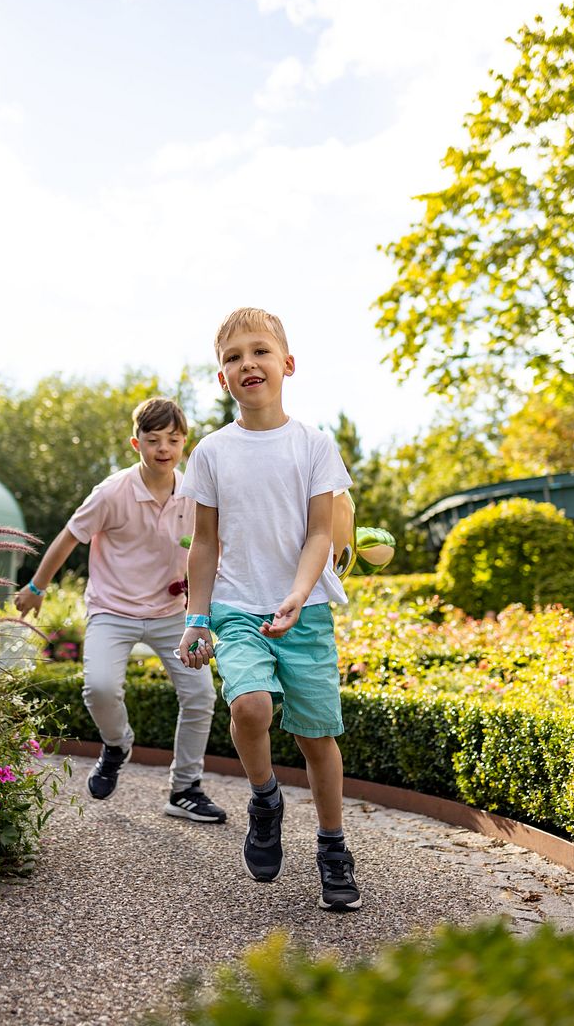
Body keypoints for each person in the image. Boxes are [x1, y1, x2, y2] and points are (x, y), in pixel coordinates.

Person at [177, 308, 361, 911]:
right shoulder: (210, 452)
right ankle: (264, 797)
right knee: (250, 706)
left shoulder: (313, 445)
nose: (246, 363)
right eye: (233, 357)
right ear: (222, 378)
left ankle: (332, 847)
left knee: (316, 739)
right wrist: (197, 618)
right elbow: (204, 543)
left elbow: (319, 535)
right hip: (235, 607)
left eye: (259, 351)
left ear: (287, 363)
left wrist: (299, 593)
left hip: (302, 612)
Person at [14, 397, 227, 824]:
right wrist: (37, 586)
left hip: (171, 614)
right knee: (99, 688)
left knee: (201, 695)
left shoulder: (193, 495)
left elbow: (211, 549)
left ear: (185, 442)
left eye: (172, 439)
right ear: (136, 443)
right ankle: (116, 744)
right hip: (112, 610)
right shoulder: (112, 492)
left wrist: (204, 604)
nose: (163, 448)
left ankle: (185, 788)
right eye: (153, 440)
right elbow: (68, 537)